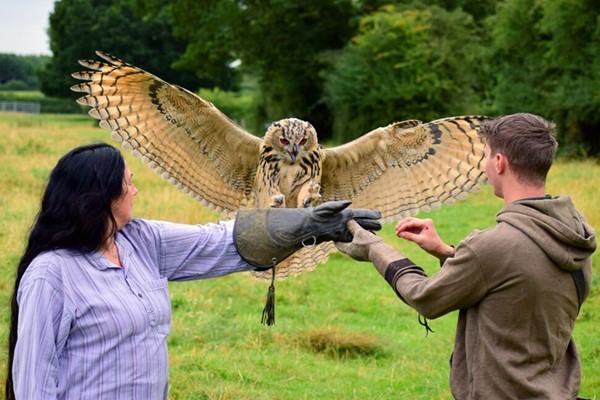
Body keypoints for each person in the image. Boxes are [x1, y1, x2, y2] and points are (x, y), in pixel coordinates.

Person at [5, 142, 381, 400]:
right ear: (102, 195)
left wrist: (308, 224)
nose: (135, 191)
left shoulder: (140, 241)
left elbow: (218, 241)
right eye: (129, 182)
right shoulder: (51, 274)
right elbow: (33, 381)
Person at [336, 113, 596, 399]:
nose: (484, 167)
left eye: (485, 157)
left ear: (499, 163)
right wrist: (447, 252)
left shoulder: (493, 246)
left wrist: (374, 248)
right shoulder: (573, 234)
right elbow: (516, 286)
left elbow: (426, 297)